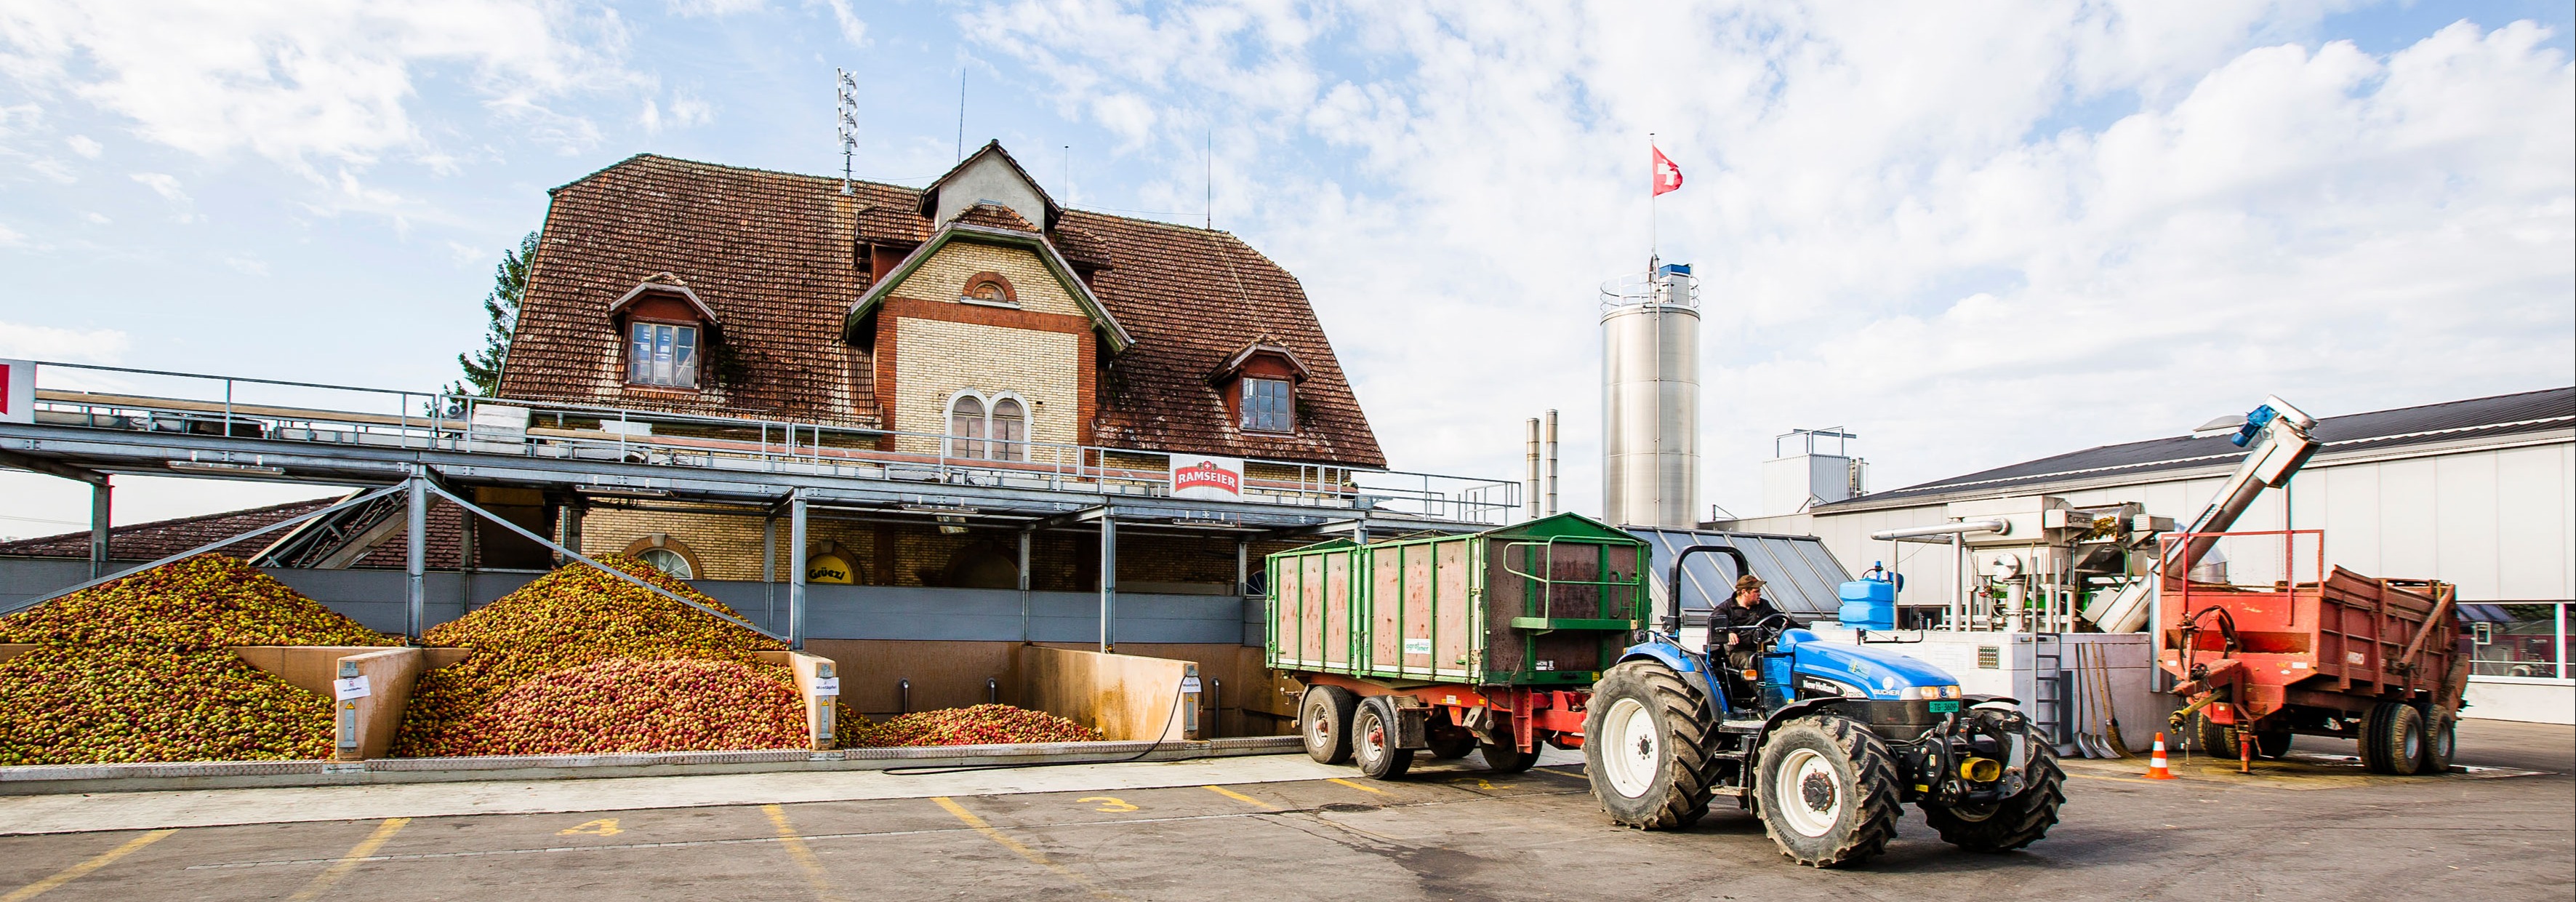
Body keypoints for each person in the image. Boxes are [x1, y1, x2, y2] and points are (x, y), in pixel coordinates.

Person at [1706, 574, 1794, 674]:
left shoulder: (1763, 605)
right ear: (1744, 592)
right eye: (1756, 591)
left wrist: (1801, 631)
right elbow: (1715, 627)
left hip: (1764, 647)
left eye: (1759, 591)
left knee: (1788, 657)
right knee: (1751, 660)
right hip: (1738, 651)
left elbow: (1781, 621)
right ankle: (1759, 689)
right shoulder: (1725, 609)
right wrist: (1728, 633)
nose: (1760, 594)